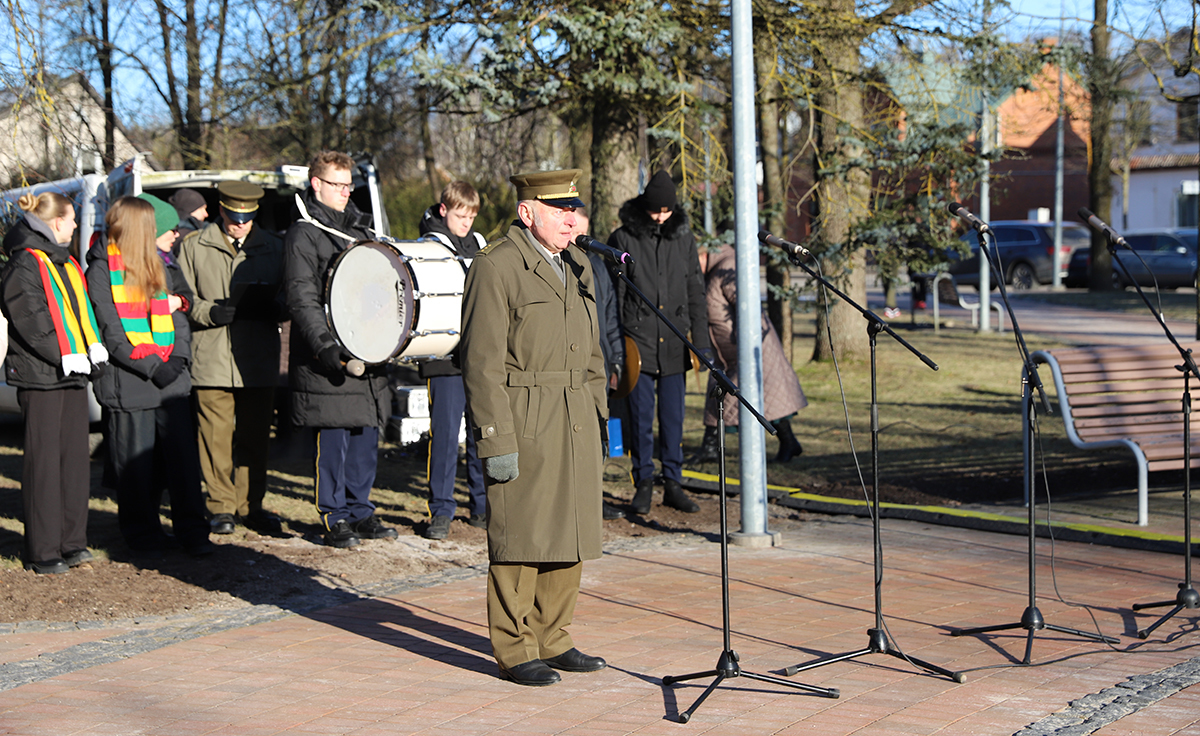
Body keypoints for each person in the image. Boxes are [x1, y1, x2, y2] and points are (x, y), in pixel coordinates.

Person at [460, 168, 608, 687]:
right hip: (526, 416)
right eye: (558, 210)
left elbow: (593, 352)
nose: (571, 220)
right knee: (520, 538)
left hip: (574, 416)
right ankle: (514, 646)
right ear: (527, 213)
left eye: (574, 210)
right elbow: (480, 363)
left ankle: (554, 636)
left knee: (569, 532)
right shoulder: (497, 266)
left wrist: (599, 416)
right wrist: (495, 438)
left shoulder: (580, 265)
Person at [87, 195, 213, 558]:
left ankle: (193, 530)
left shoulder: (160, 264)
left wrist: (179, 359)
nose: (172, 233)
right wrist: (153, 366)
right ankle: (142, 536)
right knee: (136, 470)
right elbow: (111, 331)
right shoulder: (101, 270)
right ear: (143, 229)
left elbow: (179, 315)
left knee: (183, 465)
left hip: (171, 381)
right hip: (131, 384)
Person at [283, 151, 396, 548]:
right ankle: (334, 515)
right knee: (334, 438)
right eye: (337, 184)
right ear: (316, 184)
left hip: (366, 351)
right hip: (328, 356)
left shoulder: (361, 230)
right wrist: (325, 347)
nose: (346, 192)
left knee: (365, 432)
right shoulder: (303, 233)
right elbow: (301, 298)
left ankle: (360, 509)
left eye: (349, 185)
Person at [1, 192, 108, 574]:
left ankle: (72, 542)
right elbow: (31, 321)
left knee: (74, 461)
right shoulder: (24, 265)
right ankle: (43, 550)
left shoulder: (63, 261)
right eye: (73, 218)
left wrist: (89, 355)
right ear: (57, 222)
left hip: (72, 374)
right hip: (41, 375)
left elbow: (80, 315)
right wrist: (67, 356)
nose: (77, 225)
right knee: (44, 465)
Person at [178, 181, 287, 536]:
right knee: (215, 440)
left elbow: (290, 293)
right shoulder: (194, 246)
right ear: (221, 210)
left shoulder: (274, 247)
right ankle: (221, 507)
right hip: (212, 356)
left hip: (257, 357)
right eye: (234, 216)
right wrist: (209, 312)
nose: (240, 224)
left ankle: (250, 506)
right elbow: (181, 298)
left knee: (255, 439)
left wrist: (277, 306)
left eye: (247, 217)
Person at [609, 170, 710, 515]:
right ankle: (643, 482)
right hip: (637, 342)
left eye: (667, 211)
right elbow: (616, 297)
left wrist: (702, 343)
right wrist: (617, 346)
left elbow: (695, 289)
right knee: (639, 418)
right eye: (655, 211)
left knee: (673, 418)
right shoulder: (623, 238)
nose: (660, 217)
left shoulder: (683, 238)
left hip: (674, 342)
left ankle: (673, 482)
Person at [417, 181, 487, 540]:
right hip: (443, 357)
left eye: (472, 216)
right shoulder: (427, 243)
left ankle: (481, 505)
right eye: (461, 215)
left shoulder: (479, 244)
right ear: (444, 210)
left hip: (478, 355)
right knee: (444, 437)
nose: (467, 223)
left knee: (482, 432)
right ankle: (441, 510)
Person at [693, 243, 806, 463]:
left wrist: (746, 340)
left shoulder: (728, 267)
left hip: (750, 348)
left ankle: (787, 443)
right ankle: (789, 443)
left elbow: (747, 307)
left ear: (705, 253)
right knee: (757, 397)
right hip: (730, 354)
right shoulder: (714, 272)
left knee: (758, 397)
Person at [573, 210, 625, 521]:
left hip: (600, 366)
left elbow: (610, 318)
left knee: (598, 434)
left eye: (584, 232)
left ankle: (594, 496)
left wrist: (616, 359)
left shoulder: (601, 268)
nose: (579, 238)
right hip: (571, 367)